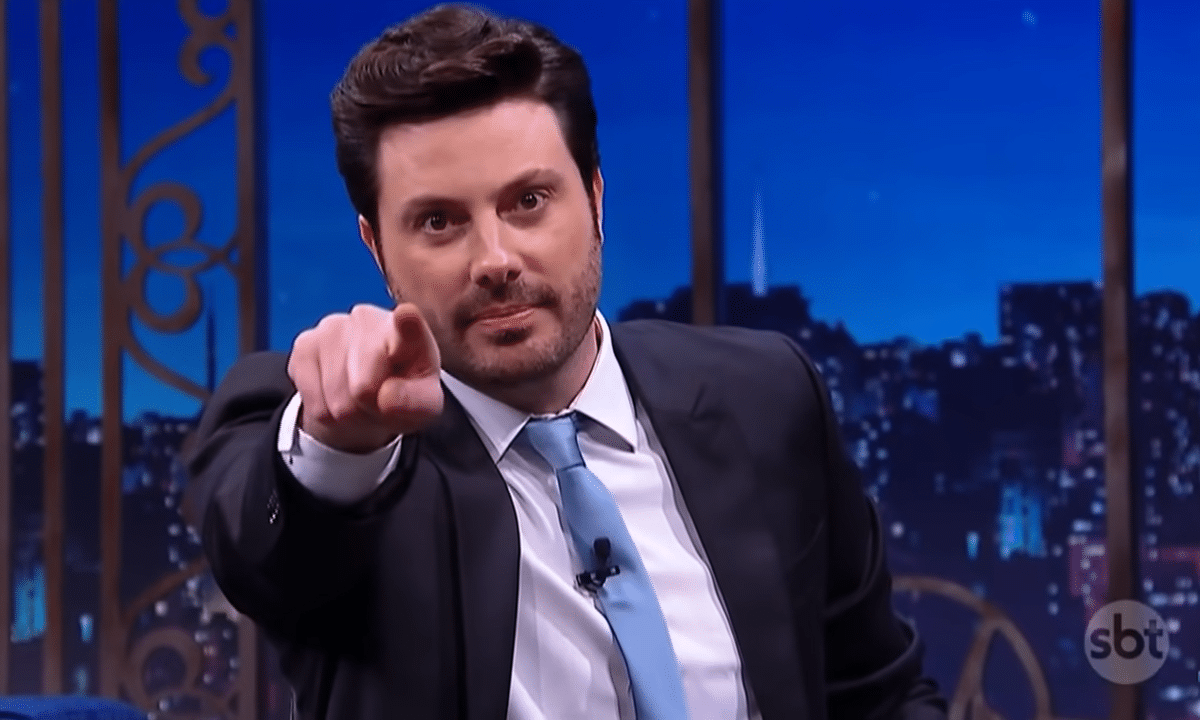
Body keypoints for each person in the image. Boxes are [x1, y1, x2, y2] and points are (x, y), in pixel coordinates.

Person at [184, 4, 949, 719]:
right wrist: (340, 441)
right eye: (440, 221)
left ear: (595, 199)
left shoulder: (765, 396)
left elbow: (878, 696)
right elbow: (268, 546)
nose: (495, 259)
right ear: (378, 249)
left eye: (528, 202)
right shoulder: (360, 459)